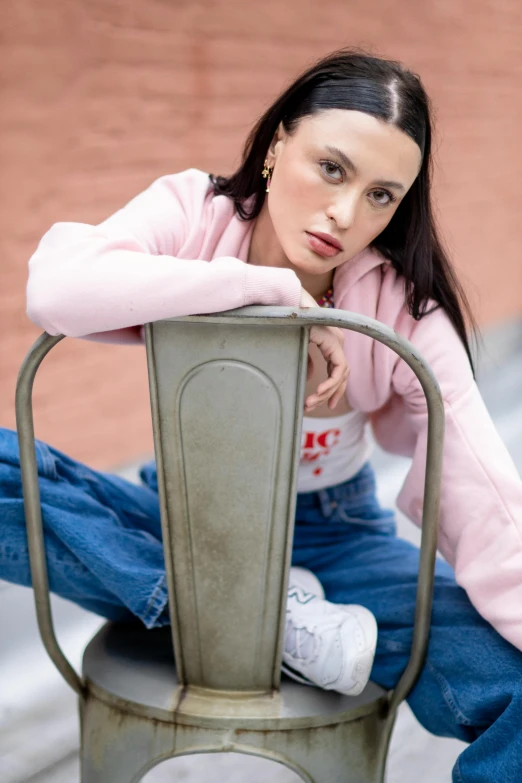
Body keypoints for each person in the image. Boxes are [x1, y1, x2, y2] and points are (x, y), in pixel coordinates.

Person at [2, 47, 522, 781]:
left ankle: (241, 613)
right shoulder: (193, 211)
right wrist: (268, 289)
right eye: (332, 168)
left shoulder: (405, 308)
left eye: (382, 195)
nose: (346, 214)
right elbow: (56, 286)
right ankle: (269, 619)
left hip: (336, 541)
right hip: (182, 520)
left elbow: (485, 492)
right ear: (279, 143)